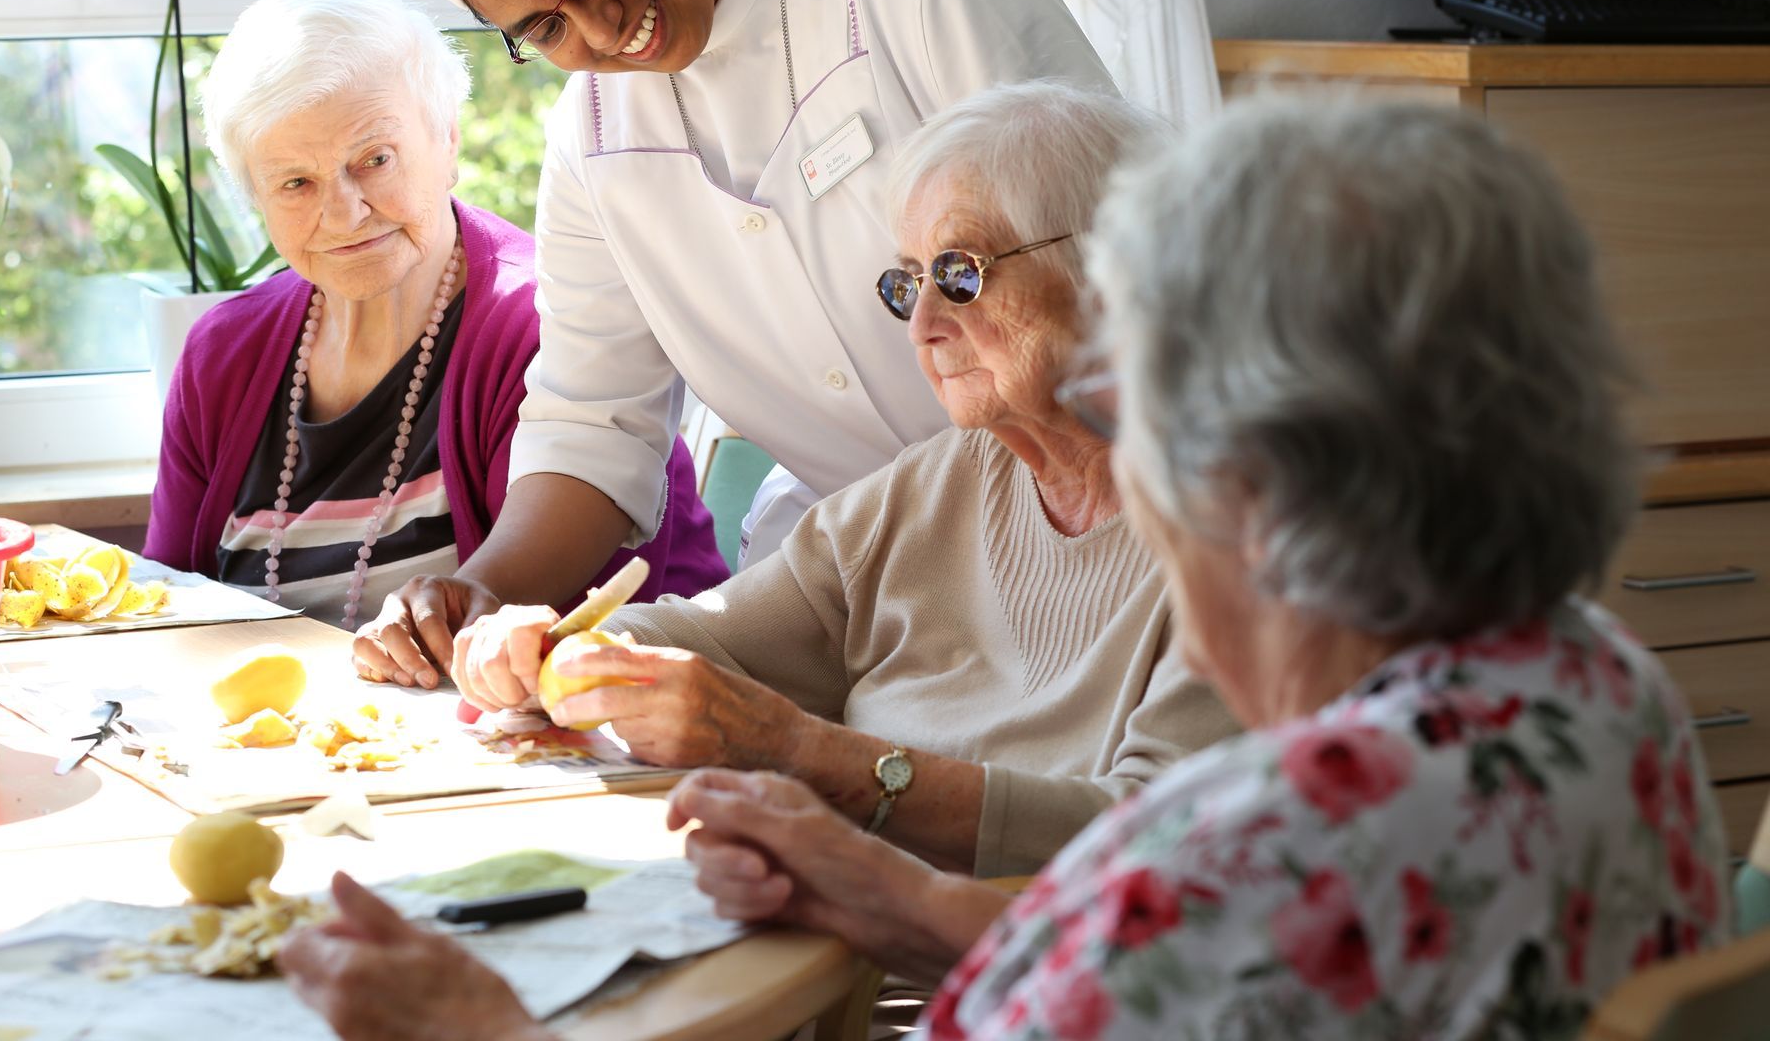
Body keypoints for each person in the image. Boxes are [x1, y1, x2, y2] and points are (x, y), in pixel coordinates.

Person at [281, 98, 1732, 1039]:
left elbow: (1176, 921)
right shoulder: (1604, 692)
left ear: (1230, 461)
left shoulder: (1229, 862)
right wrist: (894, 896)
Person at [357, 0, 1116, 687]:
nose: (600, 31)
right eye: (545, 27)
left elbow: (1120, 272)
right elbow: (595, 421)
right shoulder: (593, 138)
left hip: (1103, 536)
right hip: (869, 587)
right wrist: (478, 592)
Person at [449, 83, 1238, 879]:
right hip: (837, 946)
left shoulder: (1250, 535)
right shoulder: (935, 487)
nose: (924, 324)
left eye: (961, 274)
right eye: (907, 284)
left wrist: (805, 752)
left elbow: (1158, 842)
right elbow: (713, 641)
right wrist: (560, 647)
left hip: (1025, 980)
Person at [144, 0, 725, 637]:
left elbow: (565, 630)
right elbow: (165, 615)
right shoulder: (223, 354)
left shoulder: (554, 322)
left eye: (375, 159)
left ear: (448, 139)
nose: (344, 212)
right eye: (296, 183)